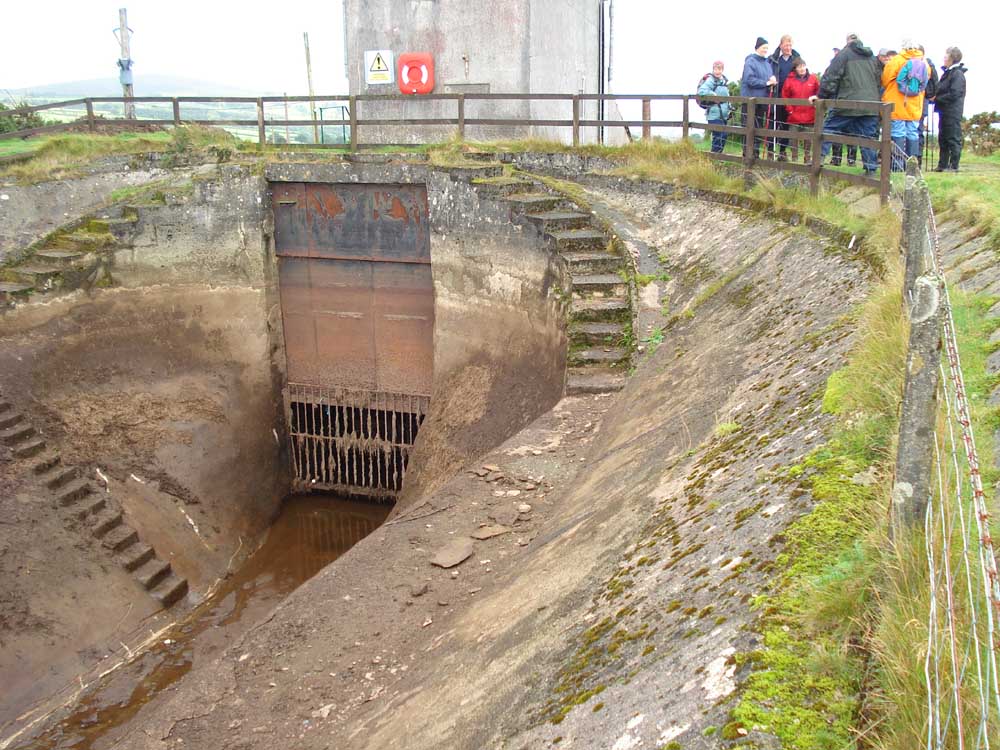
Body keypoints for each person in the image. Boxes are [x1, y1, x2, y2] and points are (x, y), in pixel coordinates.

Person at [819, 33, 881, 174]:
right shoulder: (871, 57)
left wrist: (822, 96)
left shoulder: (844, 54)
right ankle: (871, 169)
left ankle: (818, 159)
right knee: (868, 137)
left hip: (847, 102)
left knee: (829, 129)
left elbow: (831, 77)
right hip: (870, 104)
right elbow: (878, 80)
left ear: (847, 42)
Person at [882, 41, 928, 170]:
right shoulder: (924, 62)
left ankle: (897, 166)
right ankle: (912, 166)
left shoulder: (896, 61)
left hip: (897, 103)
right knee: (913, 133)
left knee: (898, 132)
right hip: (915, 104)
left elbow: (885, 79)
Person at [741, 37, 778, 159]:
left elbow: (769, 77)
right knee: (749, 127)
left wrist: (772, 81)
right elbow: (749, 80)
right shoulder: (750, 61)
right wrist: (766, 83)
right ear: (757, 48)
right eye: (763, 48)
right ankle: (748, 153)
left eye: (767, 48)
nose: (765, 50)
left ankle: (755, 153)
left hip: (762, 100)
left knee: (758, 127)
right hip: (750, 101)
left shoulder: (767, 63)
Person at [933, 46, 967, 171]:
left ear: (952, 59)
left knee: (952, 138)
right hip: (944, 111)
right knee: (943, 138)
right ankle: (942, 165)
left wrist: (937, 99)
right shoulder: (948, 73)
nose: (944, 58)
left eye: (946, 56)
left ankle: (954, 166)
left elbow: (955, 93)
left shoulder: (957, 74)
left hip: (952, 111)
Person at [768, 35, 801, 160]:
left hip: (791, 98)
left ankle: (782, 151)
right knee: (774, 124)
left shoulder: (796, 59)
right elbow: (769, 73)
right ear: (781, 45)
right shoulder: (774, 59)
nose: (788, 48)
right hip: (777, 96)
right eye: (786, 45)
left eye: (790, 45)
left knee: (787, 125)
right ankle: (771, 150)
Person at [781, 57, 820, 162]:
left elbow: (819, 92)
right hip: (794, 115)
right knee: (793, 139)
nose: (802, 68)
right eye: (799, 67)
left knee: (808, 139)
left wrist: (816, 101)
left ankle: (807, 158)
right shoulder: (789, 80)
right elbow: (785, 96)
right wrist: (790, 110)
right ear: (795, 69)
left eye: (803, 66)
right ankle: (794, 159)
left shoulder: (813, 78)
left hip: (809, 115)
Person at [698, 61, 732, 154]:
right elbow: (702, 91)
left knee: (724, 135)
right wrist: (714, 95)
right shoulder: (710, 80)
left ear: (722, 69)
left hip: (724, 113)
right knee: (718, 135)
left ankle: (718, 156)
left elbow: (727, 95)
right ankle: (714, 157)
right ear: (713, 69)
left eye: (720, 69)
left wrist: (730, 107)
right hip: (713, 113)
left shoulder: (724, 80)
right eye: (716, 69)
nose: (718, 71)